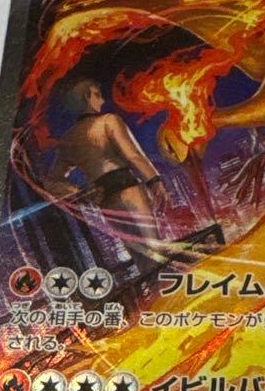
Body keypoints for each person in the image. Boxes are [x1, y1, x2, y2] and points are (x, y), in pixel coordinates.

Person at [43, 79, 170, 272]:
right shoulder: (109, 121)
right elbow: (133, 155)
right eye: (97, 94)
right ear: (86, 97)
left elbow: (52, 181)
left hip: (107, 203)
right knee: (155, 252)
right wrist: (154, 180)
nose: (102, 100)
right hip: (130, 192)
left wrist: (80, 193)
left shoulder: (68, 140)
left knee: (141, 260)